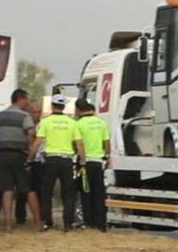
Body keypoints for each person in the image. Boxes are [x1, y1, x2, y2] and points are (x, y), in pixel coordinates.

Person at [0, 89, 42, 232]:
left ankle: (8, 224)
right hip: (20, 155)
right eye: (26, 99)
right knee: (29, 189)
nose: (27, 102)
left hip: (4, 155)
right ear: (20, 99)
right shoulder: (25, 116)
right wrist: (30, 153)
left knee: (7, 190)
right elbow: (31, 134)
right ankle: (38, 223)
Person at [30, 94, 82, 231]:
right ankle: (68, 224)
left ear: (52, 106)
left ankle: (47, 222)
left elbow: (37, 142)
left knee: (47, 192)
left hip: (50, 160)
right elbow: (79, 143)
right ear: (64, 106)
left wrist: (30, 158)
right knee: (68, 193)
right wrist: (82, 160)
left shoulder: (45, 122)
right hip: (67, 160)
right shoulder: (73, 123)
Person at [75, 100, 110, 231]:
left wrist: (82, 161)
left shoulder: (79, 124)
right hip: (98, 162)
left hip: (86, 163)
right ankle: (101, 223)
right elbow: (106, 142)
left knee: (86, 193)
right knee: (99, 193)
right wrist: (107, 157)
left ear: (79, 110)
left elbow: (79, 144)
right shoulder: (102, 123)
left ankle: (88, 222)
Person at [16, 100, 46, 227]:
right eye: (34, 112)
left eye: (39, 112)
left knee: (39, 190)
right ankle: (20, 217)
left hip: (39, 161)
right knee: (22, 190)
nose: (37, 114)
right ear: (29, 113)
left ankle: (41, 217)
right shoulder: (23, 126)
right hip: (26, 160)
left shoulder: (44, 125)